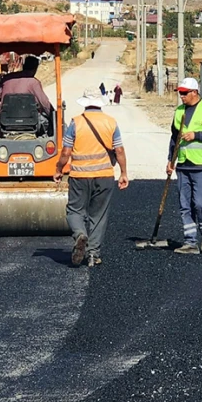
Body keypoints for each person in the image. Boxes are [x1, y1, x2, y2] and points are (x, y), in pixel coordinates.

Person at [54, 88, 129, 267]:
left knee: (74, 211)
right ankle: (93, 255)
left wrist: (58, 168)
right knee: (98, 215)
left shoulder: (76, 123)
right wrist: (124, 173)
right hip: (104, 176)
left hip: (80, 175)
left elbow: (66, 151)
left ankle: (80, 234)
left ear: (84, 103)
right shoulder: (111, 122)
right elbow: (119, 150)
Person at [167, 77, 202, 255]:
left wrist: (197, 135)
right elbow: (174, 138)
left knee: (200, 204)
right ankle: (190, 242)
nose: (181, 96)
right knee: (185, 206)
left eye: (184, 93)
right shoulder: (179, 111)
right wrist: (170, 160)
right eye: (180, 93)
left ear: (194, 92)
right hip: (183, 164)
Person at [0, 55, 53, 120]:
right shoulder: (33, 82)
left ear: (23, 66)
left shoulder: (7, 78)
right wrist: (53, 114)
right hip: (29, 121)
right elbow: (44, 103)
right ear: (35, 69)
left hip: (6, 120)